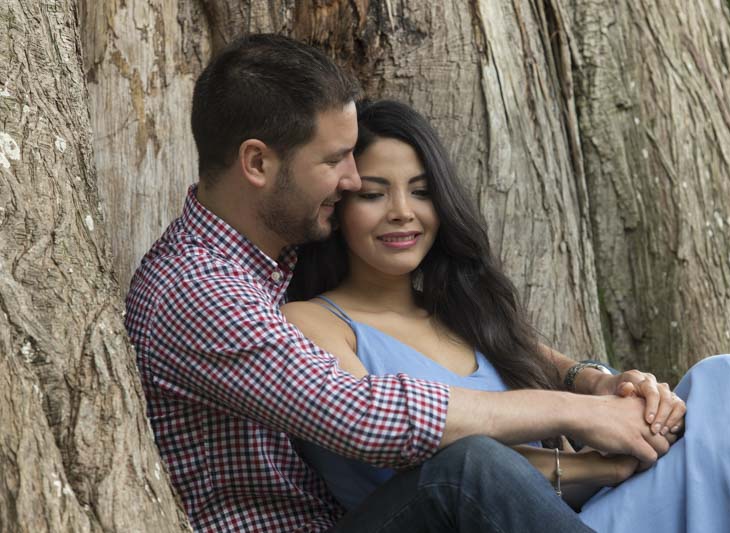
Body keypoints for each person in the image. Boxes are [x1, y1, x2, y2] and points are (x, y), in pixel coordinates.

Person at [126, 33, 683, 532]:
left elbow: (467, 337)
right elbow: (362, 416)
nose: (350, 180)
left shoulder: (271, 261)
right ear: (257, 163)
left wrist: (592, 383)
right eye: (336, 160)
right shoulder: (199, 286)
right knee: (467, 471)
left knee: (715, 388)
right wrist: (577, 414)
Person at [282, 99, 730, 532]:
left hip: (582, 517)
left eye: (421, 192)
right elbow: (420, 458)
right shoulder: (312, 322)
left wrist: (614, 388)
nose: (402, 211)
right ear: (338, 209)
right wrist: (595, 467)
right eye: (373, 194)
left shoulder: (457, 312)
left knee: (726, 380)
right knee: (476, 462)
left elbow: (562, 372)